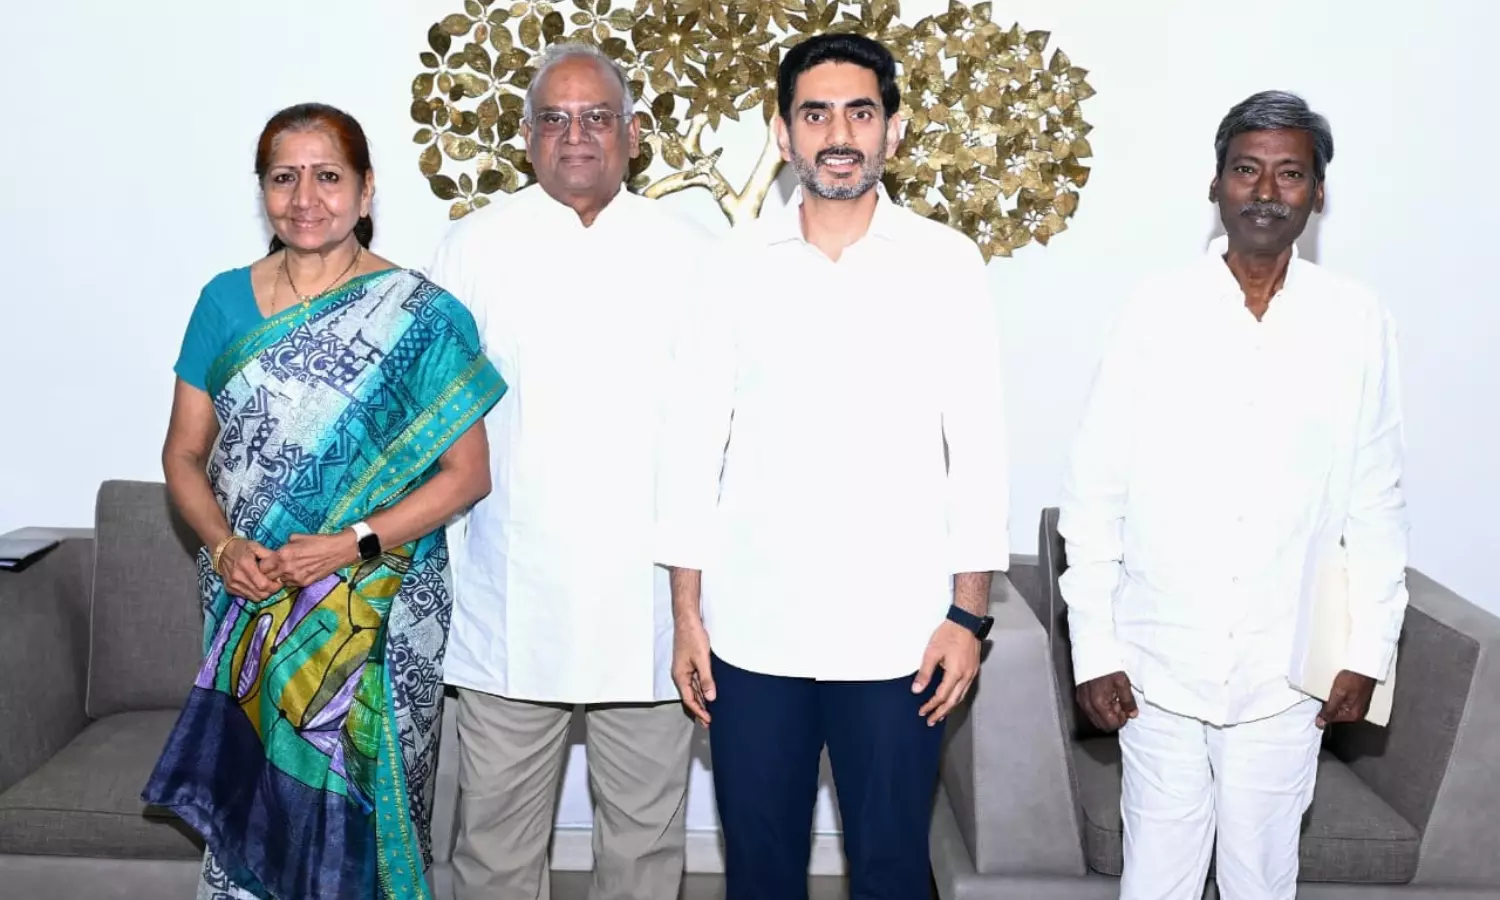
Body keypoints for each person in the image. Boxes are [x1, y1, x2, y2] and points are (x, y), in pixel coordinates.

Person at [655, 32, 1011, 900]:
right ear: (783, 134)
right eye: (816, 115)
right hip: (753, 635)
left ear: (893, 129)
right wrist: (688, 617)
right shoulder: (730, 265)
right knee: (760, 873)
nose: (839, 134)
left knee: (892, 871)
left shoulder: (945, 262)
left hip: (900, 638)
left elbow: (979, 448)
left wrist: (967, 617)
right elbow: (691, 446)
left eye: (861, 112)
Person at [142, 102, 505, 900]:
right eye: (284, 178)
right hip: (255, 597)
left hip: (380, 604)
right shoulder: (223, 302)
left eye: (328, 176)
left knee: (367, 816)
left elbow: (466, 475)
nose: (305, 198)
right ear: (263, 192)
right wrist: (223, 546)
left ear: (367, 191)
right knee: (258, 805)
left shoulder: (424, 317)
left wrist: (350, 544)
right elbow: (183, 454)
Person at [1057, 90, 1409, 900]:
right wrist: (1096, 651)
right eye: (1247, 170)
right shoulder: (1155, 310)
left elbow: (1377, 500)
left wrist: (1367, 654)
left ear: (1318, 193)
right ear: (1215, 184)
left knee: (1261, 879)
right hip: (1156, 664)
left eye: (1291, 174)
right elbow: (1095, 493)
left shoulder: (1355, 320)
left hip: (1285, 675)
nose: (1267, 191)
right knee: (1157, 880)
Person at [426, 42, 707, 900]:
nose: (575, 135)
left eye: (595, 117)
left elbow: (715, 434)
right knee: (494, 855)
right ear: (526, 137)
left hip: (648, 611)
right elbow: (431, 426)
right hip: (510, 603)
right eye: (554, 118)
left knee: (645, 852)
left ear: (632, 133)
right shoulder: (469, 250)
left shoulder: (694, 253)